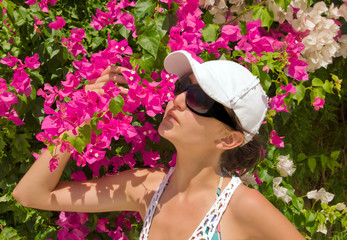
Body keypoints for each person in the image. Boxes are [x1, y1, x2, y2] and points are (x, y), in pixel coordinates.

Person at [13, 50, 305, 239]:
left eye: (198, 99)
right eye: (181, 88)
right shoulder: (146, 188)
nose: (176, 100)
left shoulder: (243, 206)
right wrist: (81, 114)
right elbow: (31, 194)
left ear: (228, 139)